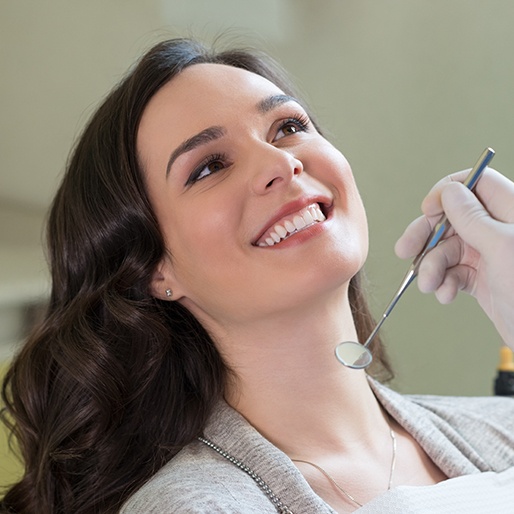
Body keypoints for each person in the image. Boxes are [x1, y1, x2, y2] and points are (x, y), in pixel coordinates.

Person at [1, 38, 513, 514]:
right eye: (209, 167)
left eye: (288, 128)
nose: (281, 163)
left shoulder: (500, 430)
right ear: (155, 270)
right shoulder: (195, 507)